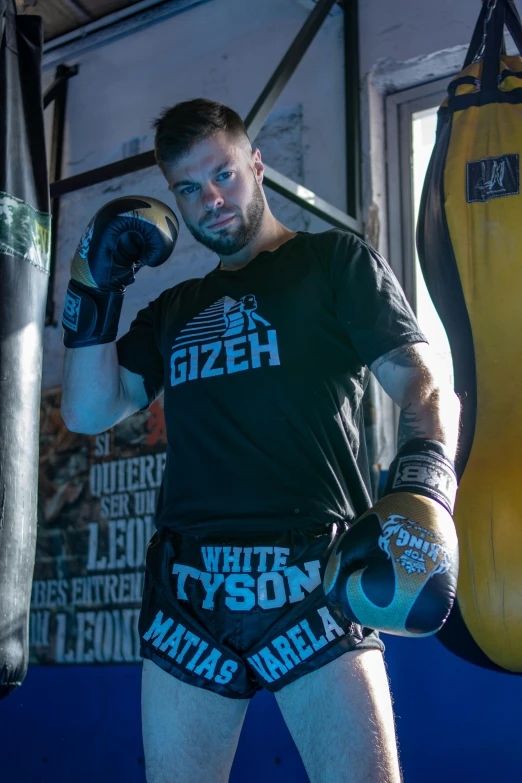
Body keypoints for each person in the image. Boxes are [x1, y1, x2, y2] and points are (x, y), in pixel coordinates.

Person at [61, 98, 460, 783]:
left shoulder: (332, 262)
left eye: (223, 173)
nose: (211, 198)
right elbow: (90, 409)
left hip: (311, 574)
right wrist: (93, 293)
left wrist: (425, 487)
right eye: (188, 187)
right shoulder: (175, 310)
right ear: (175, 200)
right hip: (190, 587)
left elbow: (425, 388)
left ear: (256, 163)